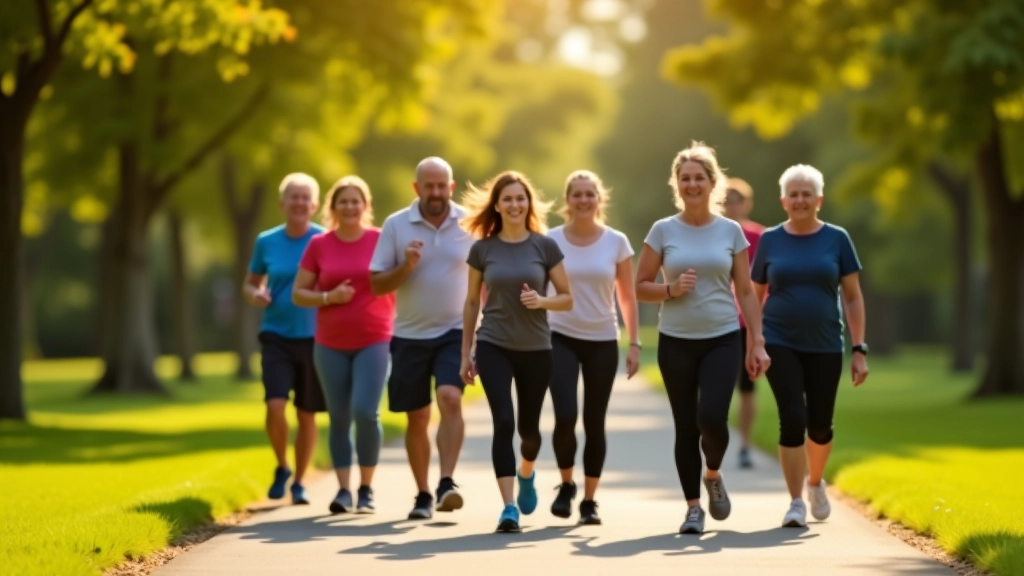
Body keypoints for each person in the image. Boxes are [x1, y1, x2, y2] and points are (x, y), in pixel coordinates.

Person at [635, 141, 770, 535]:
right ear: (677, 184)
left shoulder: (730, 231)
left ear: (713, 184)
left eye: (699, 178)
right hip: (675, 339)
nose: (692, 184)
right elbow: (639, 285)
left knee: (712, 417)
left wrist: (757, 340)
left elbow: (746, 290)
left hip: (722, 337)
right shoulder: (662, 230)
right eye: (685, 178)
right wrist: (671, 290)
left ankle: (712, 474)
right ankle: (693, 508)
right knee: (685, 426)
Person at [750, 164, 869, 528]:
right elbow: (754, 296)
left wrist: (859, 348)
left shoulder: (837, 238)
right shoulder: (770, 240)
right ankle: (795, 502)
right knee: (792, 418)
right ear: (783, 200)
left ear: (819, 199)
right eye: (794, 194)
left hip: (825, 343)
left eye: (807, 194)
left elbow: (851, 297)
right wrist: (754, 344)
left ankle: (815, 483)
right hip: (779, 341)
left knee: (819, 425)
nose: (800, 200)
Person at [459, 171, 573, 533]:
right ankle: (508, 507)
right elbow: (471, 302)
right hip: (493, 343)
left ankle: (527, 473)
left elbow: (567, 298)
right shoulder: (482, 249)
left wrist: (541, 301)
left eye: (520, 198)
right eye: (507, 199)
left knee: (529, 430)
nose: (514, 204)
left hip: (537, 348)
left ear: (528, 204)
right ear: (496, 205)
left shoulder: (545, 246)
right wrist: (467, 352)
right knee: (504, 423)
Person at [369, 157, 475, 520]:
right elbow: (376, 283)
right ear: (417, 188)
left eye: (441, 185)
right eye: (428, 186)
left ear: (451, 185)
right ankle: (423, 494)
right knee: (417, 417)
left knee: (450, 398)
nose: (435, 192)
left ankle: (447, 482)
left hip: (454, 331)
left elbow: (486, 277)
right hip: (409, 334)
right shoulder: (397, 225)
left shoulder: (470, 222)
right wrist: (407, 266)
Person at [292, 175, 396, 515]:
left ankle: (366, 489)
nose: (350, 207)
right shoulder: (319, 245)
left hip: (375, 338)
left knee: (365, 411)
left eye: (356, 201)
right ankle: (343, 491)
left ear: (365, 206)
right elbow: (298, 293)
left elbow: (400, 279)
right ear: (333, 207)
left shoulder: (381, 240)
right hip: (330, 343)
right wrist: (329, 296)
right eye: (343, 201)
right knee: (338, 417)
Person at [545, 170, 640, 525]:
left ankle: (589, 500)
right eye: (577, 194)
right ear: (567, 201)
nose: (583, 200)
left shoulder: (616, 241)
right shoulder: (550, 241)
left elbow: (627, 297)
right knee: (566, 414)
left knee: (594, 420)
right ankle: (566, 484)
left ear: (600, 200)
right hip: (560, 336)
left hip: (602, 339)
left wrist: (634, 343)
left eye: (590, 194)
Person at [243, 173, 328, 506]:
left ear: (316, 205)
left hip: (315, 337)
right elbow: (250, 282)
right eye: (294, 197)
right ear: (282, 203)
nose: (300, 203)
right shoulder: (266, 241)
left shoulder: (324, 240)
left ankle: (300, 482)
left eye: (306, 197)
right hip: (276, 334)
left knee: (307, 414)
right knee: (275, 405)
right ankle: (282, 466)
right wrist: (255, 294)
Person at [723, 177, 766, 469]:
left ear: (746, 204)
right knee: (716, 387)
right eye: (727, 199)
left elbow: (766, 281)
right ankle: (714, 442)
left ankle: (745, 445)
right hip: (718, 322)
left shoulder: (761, 238)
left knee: (747, 389)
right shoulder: (712, 233)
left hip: (747, 324)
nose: (731, 205)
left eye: (737, 199)